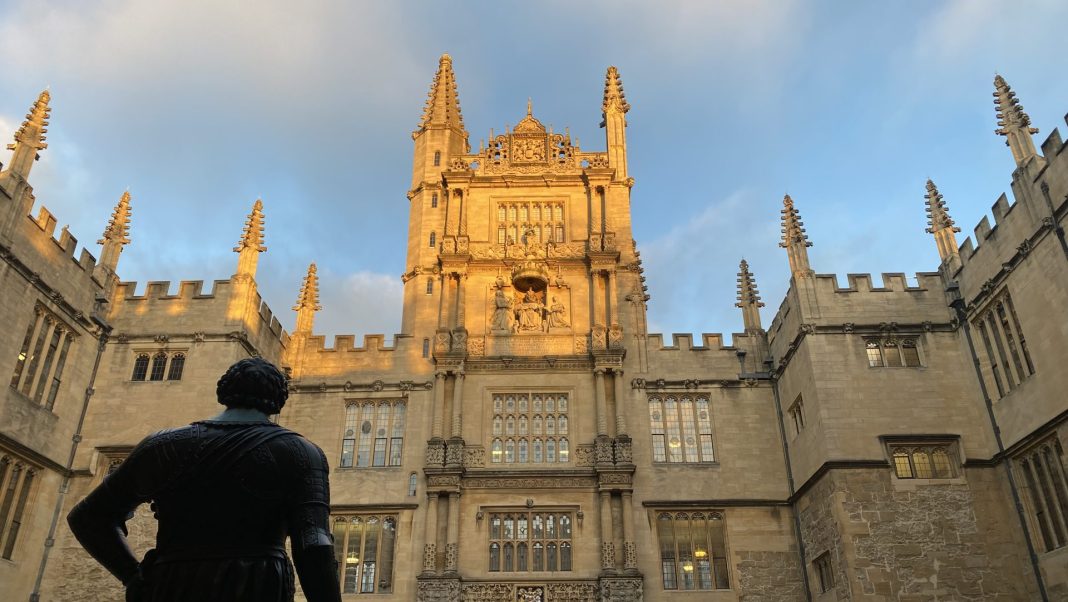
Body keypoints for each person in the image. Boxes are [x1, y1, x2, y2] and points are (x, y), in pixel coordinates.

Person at [67, 357, 342, 602]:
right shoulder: (300, 452)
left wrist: (132, 575)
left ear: (224, 391)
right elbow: (314, 543)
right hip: (256, 583)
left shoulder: (163, 444)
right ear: (279, 399)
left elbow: (88, 517)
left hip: (172, 582)